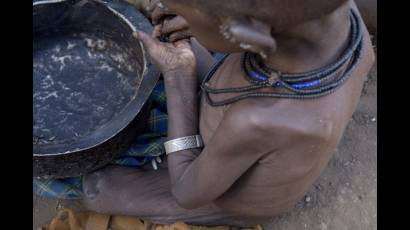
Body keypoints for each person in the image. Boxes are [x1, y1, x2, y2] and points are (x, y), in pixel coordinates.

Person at [82, 0, 375, 227]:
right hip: (241, 105)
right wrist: (204, 17)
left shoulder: (257, 119)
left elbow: (186, 192)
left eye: (191, 13)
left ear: (247, 34)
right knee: (179, 33)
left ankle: (223, 217)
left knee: (98, 190)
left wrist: (178, 74)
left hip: (221, 193)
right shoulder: (340, 18)